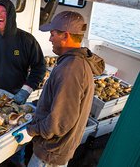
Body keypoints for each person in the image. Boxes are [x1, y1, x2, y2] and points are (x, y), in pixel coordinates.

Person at [14, 11, 105, 166]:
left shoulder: (71, 69)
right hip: (55, 149)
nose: (50, 39)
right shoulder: (75, 62)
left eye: (53, 34)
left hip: (50, 154)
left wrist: (31, 132)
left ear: (65, 36)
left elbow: (61, 121)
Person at [0, 0, 46, 167]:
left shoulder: (27, 40)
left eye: (3, 11)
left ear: (10, 15)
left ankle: (17, 161)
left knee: (15, 137)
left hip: (17, 97)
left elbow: (39, 67)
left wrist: (25, 91)